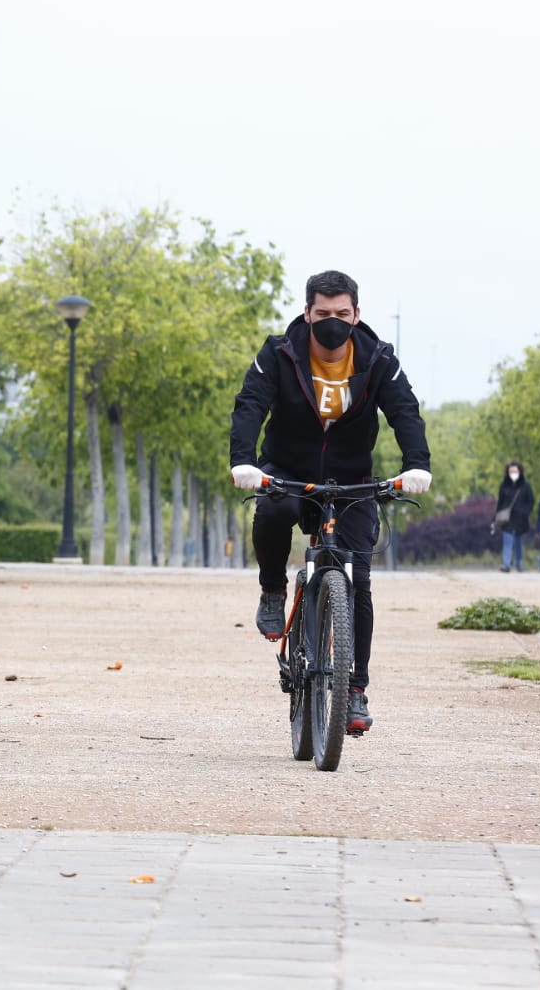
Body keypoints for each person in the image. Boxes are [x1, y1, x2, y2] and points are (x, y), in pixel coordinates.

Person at [230, 270, 431, 735]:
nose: (333, 322)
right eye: (323, 314)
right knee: (273, 509)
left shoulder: (379, 359)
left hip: (352, 479)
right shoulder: (278, 353)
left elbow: (405, 410)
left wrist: (416, 464)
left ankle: (355, 688)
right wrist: (243, 461)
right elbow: (250, 405)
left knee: (358, 578)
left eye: (343, 314)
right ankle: (273, 591)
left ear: (357, 315)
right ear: (307, 313)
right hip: (286, 468)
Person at [494, 461, 533, 572]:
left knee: (518, 543)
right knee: (507, 541)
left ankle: (519, 563)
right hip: (507, 519)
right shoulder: (504, 485)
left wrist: (526, 512)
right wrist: (496, 516)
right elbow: (500, 502)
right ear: (507, 472)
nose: (513, 473)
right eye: (511, 471)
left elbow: (531, 501)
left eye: (515, 471)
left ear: (520, 472)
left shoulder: (526, 486)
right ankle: (506, 565)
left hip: (521, 519)